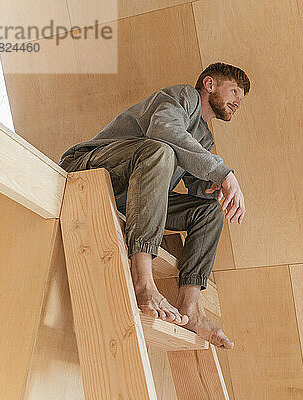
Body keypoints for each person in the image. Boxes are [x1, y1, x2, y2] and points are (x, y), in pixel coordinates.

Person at [58, 62, 250, 350]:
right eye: (234, 91)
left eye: (241, 98)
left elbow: (193, 178)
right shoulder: (181, 97)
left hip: (136, 193)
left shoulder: (204, 136)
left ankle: (191, 307)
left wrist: (212, 188)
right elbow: (164, 132)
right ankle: (143, 284)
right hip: (92, 170)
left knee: (208, 212)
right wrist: (223, 172)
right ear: (210, 85)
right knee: (160, 150)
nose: (237, 102)